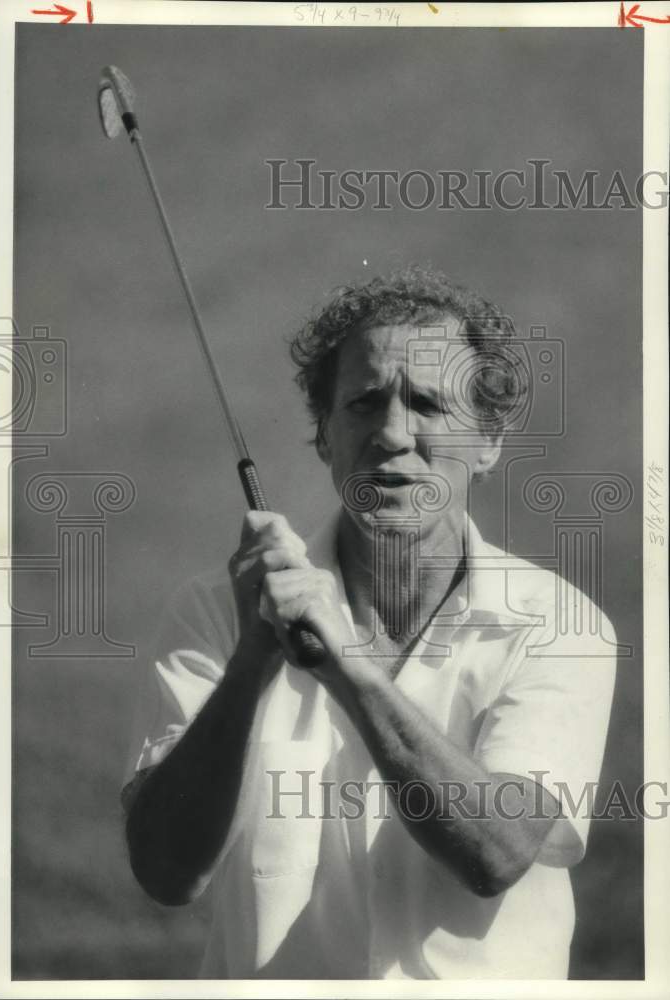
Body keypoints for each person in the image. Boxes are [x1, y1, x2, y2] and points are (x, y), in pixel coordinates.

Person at [122, 266, 617, 979]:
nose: (391, 434)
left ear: (489, 442)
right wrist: (252, 663)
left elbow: (496, 851)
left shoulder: (558, 625)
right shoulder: (212, 611)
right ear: (324, 436)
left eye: (426, 404)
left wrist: (345, 666)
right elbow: (167, 874)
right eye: (361, 403)